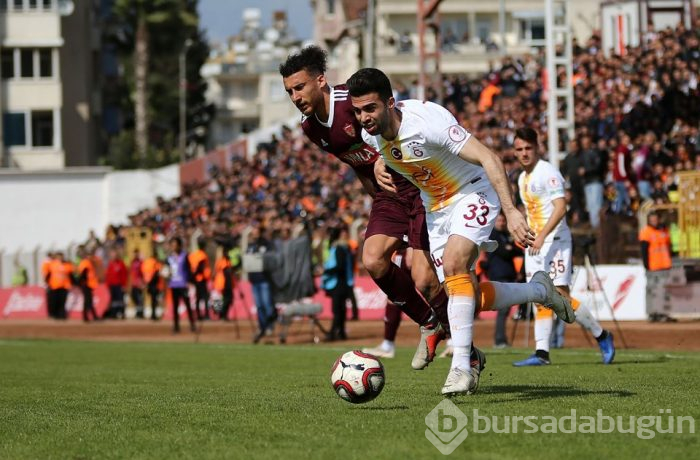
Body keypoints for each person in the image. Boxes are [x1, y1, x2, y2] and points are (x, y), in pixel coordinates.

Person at [347, 68, 574, 395]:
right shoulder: (371, 135)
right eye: (357, 111)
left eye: (370, 109)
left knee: (454, 266)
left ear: (390, 103)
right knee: (460, 294)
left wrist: (511, 212)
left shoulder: (427, 122)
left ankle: (461, 368)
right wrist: (383, 162)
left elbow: (489, 157)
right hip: (436, 208)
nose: (364, 117)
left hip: (472, 191)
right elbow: (391, 152)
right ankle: (540, 292)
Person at [280, 45, 457, 371]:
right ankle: (429, 324)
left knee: (424, 279)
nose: (295, 96)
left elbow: (398, 119)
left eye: (300, 87)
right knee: (373, 260)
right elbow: (356, 163)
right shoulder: (310, 128)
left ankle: (463, 348)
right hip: (387, 197)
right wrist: (373, 190)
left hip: (417, 185)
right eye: (289, 91)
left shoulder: (352, 98)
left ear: (321, 81)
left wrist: (384, 154)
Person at [510, 127, 615, 366]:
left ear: (537, 148)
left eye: (528, 148)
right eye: (519, 149)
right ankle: (542, 353)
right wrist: (522, 232)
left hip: (555, 242)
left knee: (560, 295)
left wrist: (542, 236)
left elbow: (560, 207)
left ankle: (602, 335)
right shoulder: (521, 177)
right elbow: (531, 212)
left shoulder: (548, 172)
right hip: (534, 244)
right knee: (539, 297)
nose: (524, 153)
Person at [479, 213, 523, 348]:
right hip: (498, 275)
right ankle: (499, 340)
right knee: (503, 309)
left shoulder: (506, 234)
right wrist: (510, 249)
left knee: (506, 309)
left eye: (503, 220)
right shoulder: (493, 236)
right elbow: (505, 252)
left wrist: (511, 248)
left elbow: (517, 251)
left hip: (508, 274)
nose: (502, 223)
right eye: (499, 220)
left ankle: (501, 339)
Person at [321, 226, 354, 341]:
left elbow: (339, 267)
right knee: (341, 309)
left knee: (337, 310)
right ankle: (340, 333)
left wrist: (325, 271)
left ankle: (332, 334)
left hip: (338, 283)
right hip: (343, 282)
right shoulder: (345, 248)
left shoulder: (338, 248)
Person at [639, 211, 673, 321]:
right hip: (652, 266)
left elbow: (669, 247)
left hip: (664, 265)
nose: (654, 221)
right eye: (652, 219)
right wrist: (646, 264)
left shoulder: (665, 231)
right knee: (651, 290)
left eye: (655, 219)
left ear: (659, 219)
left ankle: (663, 313)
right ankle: (652, 313)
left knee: (663, 291)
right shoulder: (646, 232)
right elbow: (644, 249)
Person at [247, 226, 276, 343]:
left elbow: (271, 259)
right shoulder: (250, 246)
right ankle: (262, 327)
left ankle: (269, 326)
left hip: (264, 279)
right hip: (254, 280)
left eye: (256, 232)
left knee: (267, 304)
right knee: (259, 306)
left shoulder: (266, 245)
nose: (254, 235)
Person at [167, 237, 197, 333]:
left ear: (179, 245)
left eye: (175, 245)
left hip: (183, 284)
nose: (173, 247)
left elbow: (188, 269)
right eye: (172, 245)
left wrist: (189, 281)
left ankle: (192, 325)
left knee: (187, 305)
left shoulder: (184, 256)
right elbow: (166, 270)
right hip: (173, 285)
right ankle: (176, 327)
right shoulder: (169, 258)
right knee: (175, 307)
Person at [189, 238, 212, 320]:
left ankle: (198, 315)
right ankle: (206, 315)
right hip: (202, 279)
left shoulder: (194, 254)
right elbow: (200, 266)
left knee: (198, 297)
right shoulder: (202, 255)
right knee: (205, 297)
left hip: (195, 279)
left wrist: (192, 277)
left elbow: (191, 266)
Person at [76, 246, 99, 322]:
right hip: (86, 284)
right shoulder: (86, 262)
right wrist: (83, 283)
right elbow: (83, 274)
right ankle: (88, 316)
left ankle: (89, 316)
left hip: (88, 284)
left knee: (89, 301)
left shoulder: (86, 262)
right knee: (88, 301)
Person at [103, 249, 127, 319]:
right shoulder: (110, 264)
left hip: (119, 285)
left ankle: (121, 313)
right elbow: (108, 275)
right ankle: (114, 313)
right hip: (111, 285)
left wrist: (123, 285)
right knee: (113, 301)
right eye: (112, 255)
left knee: (120, 300)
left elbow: (124, 275)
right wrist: (107, 285)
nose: (113, 256)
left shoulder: (121, 264)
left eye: (114, 254)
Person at [213, 242, 234, 321]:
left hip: (224, 283)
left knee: (224, 299)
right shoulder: (223, 261)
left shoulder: (224, 260)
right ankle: (221, 314)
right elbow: (226, 271)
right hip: (223, 283)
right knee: (224, 299)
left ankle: (221, 314)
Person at [141, 252, 162, 320]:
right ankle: (154, 314)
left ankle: (153, 314)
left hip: (148, 283)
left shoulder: (146, 262)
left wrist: (146, 282)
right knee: (154, 299)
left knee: (152, 299)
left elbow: (143, 272)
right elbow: (157, 272)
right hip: (154, 284)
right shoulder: (155, 262)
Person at [129, 249, 145, 318]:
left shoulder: (141, 262)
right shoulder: (132, 262)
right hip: (134, 283)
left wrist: (143, 282)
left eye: (137, 253)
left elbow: (143, 273)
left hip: (139, 283)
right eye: (134, 253)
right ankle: (138, 311)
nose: (135, 255)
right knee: (134, 296)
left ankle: (140, 313)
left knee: (139, 298)